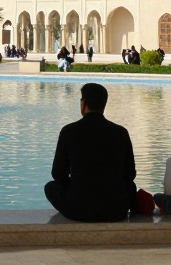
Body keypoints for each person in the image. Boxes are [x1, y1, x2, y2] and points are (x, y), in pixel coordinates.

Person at [45, 83, 137, 222]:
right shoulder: (120, 132)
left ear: (83, 104)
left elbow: (58, 174)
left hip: (79, 209)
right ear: (104, 105)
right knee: (131, 186)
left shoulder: (69, 131)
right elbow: (129, 174)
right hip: (115, 210)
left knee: (50, 187)